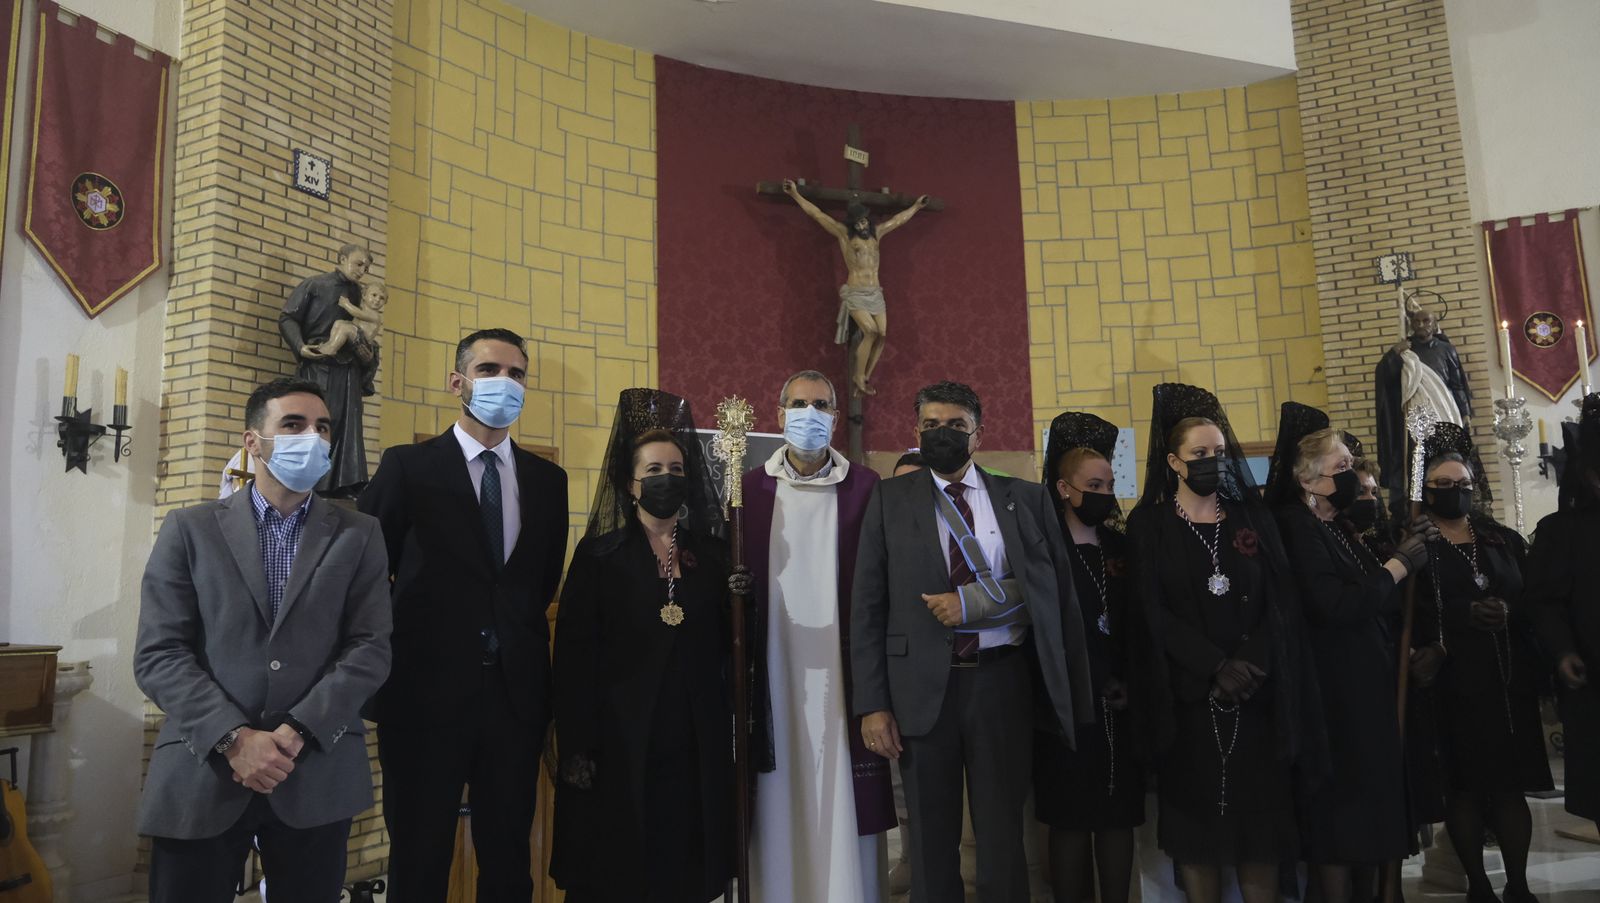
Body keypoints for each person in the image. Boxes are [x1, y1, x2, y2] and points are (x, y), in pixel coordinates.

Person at [134, 377, 392, 902]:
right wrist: (235, 738)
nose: (312, 438)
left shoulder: (359, 534)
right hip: (202, 764)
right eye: (293, 425)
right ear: (253, 441)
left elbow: (369, 648)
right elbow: (160, 653)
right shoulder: (190, 529)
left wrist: (296, 731)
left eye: (322, 427)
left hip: (313, 766)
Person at [852, 380, 1093, 903]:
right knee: (930, 835)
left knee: (1002, 831)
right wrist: (873, 704)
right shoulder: (889, 499)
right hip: (920, 690)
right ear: (916, 431)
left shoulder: (1024, 499)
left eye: (956, 425)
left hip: (1000, 683)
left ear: (977, 435)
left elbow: (1054, 591)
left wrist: (977, 605)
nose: (943, 433)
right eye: (931, 425)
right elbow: (867, 606)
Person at [358, 328, 570, 903]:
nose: (506, 383)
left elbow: (539, 581)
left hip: (514, 699)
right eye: (490, 370)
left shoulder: (550, 482)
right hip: (424, 696)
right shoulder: (407, 467)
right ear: (458, 383)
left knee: (508, 863)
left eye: (517, 373)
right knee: (420, 859)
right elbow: (366, 573)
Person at [1123, 383, 1322, 903]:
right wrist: (1213, 665)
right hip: (1189, 700)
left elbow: (1280, 598)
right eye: (1198, 454)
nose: (1211, 461)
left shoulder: (1251, 518)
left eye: (1217, 452)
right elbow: (1149, 610)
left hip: (1256, 696)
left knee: (1259, 830)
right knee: (1199, 836)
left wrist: (1249, 663)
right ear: (1173, 461)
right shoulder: (1150, 523)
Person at [551, 390, 741, 902]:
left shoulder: (717, 557)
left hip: (694, 736)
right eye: (654, 468)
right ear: (630, 482)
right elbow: (573, 656)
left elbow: (734, 647)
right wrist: (577, 745)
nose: (667, 478)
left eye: (677, 469)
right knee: (621, 866)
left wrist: (742, 602)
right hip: (620, 738)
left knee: (686, 863)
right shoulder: (601, 556)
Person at [1263, 405, 1429, 902]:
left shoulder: (1338, 526)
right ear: (1308, 481)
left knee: (1373, 811)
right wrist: (1399, 566)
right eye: (1340, 470)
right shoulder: (1297, 525)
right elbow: (1333, 604)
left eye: (1351, 467)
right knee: (1342, 816)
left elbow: (1375, 602)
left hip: (1366, 688)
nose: (1352, 478)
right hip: (1334, 694)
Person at [742, 369, 895, 902]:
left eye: (821, 405)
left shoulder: (865, 488)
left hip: (840, 671)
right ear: (780, 415)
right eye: (799, 404)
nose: (810, 414)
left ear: (834, 416)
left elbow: (880, 588)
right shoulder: (749, 490)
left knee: (839, 787)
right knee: (777, 783)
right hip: (772, 666)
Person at [1412, 423, 1551, 903]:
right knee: (1465, 790)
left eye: (1464, 486)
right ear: (1426, 491)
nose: (1456, 493)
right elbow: (1409, 610)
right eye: (1444, 487)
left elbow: (1531, 595)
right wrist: (1461, 613)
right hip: (1453, 683)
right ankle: (1479, 886)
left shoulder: (1499, 538)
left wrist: (1508, 611)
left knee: (1511, 789)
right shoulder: (1415, 542)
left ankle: (1519, 884)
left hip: (1507, 682)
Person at [1036, 411, 1144, 903]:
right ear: (1063, 488)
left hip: (1120, 701)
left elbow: (1138, 621)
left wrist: (1127, 678)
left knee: (1118, 815)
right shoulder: (1043, 547)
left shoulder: (1119, 546)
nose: (1104, 492)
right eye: (1092, 485)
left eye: (1109, 483)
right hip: (1064, 704)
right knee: (1071, 819)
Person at [780, 178, 930, 397]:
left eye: (863, 221)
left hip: (875, 292)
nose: (862, 225)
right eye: (857, 223)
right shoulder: (844, 236)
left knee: (883, 334)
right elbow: (817, 214)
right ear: (852, 225)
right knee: (870, 331)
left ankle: (865, 376)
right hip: (856, 293)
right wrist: (795, 194)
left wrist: (916, 206)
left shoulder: (876, 235)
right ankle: (858, 375)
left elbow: (898, 220)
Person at [1526, 393, 1600, 833]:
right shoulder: (1563, 532)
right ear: (1593, 477)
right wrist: (1562, 650)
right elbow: (1544, 600)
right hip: (1593, 673)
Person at [278, 242, 377, 495]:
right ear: (342, 259)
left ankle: (345, 483)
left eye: (366, 267)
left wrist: (368, 353)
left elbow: (370, 331)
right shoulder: (315, 285)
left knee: (348, 425)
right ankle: (314, 482)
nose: (362, 270)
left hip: (349, 369)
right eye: (358, 264)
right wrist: (300, 347)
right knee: (321, 420)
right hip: (319, 364)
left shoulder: (363, 294)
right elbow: (288, 317)